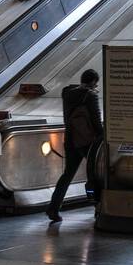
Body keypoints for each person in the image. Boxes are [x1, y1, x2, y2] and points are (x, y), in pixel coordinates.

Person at [46, 69, 103, 222]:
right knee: (96, 174)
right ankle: (100, 208)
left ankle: (53, 208)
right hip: (87, 142)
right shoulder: (90, 96)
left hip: (70, 139)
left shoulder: (68, 93)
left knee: (67, 175)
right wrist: (103, 136)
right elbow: (96, 121)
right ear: (93, 82)